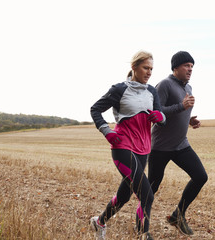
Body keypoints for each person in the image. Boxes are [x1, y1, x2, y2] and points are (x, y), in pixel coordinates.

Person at [90, 50, 166, 240]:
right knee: (146, 195)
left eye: (151, 69)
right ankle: (143, 235)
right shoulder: (119, 89)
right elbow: (95, 109)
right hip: (122, 147)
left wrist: (161, 117)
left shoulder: (152, 91)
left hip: (143, 150)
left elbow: (160, 116)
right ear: (134, 67)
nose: (149, 72)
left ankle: (99, 222)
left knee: (124, 196)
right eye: (145, 68)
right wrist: (107, 132)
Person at [147, 51, 208, 236]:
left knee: (200, 176)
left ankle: (177, 215)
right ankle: (141, 225)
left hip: (181, 145)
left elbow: (179, 111)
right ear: (175, 68)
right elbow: (155, 112)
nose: (190, 69)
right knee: (151, 187)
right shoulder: (164, 84)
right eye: (186, 65)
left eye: (192, 66)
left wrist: (189, 120)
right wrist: (181, 107)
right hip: (160, 147)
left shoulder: (188, 88)